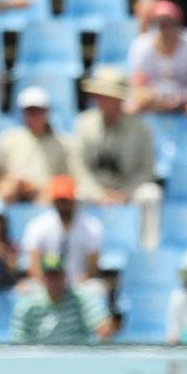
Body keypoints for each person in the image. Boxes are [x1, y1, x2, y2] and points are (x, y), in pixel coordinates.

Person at [70, 67, 163, 250]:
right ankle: (82, 249)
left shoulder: (141, 128)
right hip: (94, 189)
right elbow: (77, 167)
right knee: (75, 195)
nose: (104, 101)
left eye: (110, 96)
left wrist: (125, 193)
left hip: (127, 189)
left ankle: (148, 250)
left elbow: (147, 170)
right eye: (101, 96)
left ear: (120, 99)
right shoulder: (83, 124)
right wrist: (99, 194)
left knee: (151, 194)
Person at [127, 0, 187, 154]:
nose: (165, 29)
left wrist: (181, 100)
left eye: (169, 24)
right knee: (131, 109)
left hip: (186, 100)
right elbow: (138, 88)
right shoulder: (141, 46)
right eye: (160, 24)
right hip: (154, 101)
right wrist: (158, 100)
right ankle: (138, 155)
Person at [10, 252, 114, 344]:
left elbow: (102, 327)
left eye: (57, 275)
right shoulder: (27, 305)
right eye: (50, 276)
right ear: (42, 278)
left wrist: (104, 329)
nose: (54, 281)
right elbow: (19, 340)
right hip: (39, 361)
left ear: (65, 276)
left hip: (76, 359)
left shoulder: (82, 298)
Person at [21, 175, 103, 288]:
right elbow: (34, 264)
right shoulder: (38, 226)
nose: (63, 205)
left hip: (79, 284)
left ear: (74, 200)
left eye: (66, 200)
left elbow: (92, 267)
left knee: (96, 288)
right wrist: (50, 285)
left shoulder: (92, 227)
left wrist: (80, 281)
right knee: (25, 288)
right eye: (59, 201)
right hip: (47, 283)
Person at [0, 87, 69, 203]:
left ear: (46, 112)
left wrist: (38, 187)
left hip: (46, 192)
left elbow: (67, 178)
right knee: (4, 190)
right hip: (15, 189)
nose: (34, 116)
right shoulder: (8, 139)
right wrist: (15, 182)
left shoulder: (62, 143)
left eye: (38, 111)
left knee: (50, 196)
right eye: (30, 111)